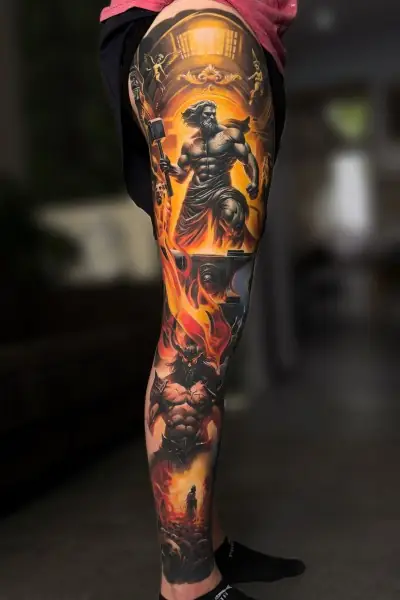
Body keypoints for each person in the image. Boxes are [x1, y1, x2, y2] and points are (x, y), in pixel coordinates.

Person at [99, 1, 304, 599]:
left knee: (205, 322)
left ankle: (210, 549)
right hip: (203, 25)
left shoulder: (225, 133)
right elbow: (191, 155)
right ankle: (188, 587)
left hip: (218, 35)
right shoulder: (207, 117)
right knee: (200, 324)